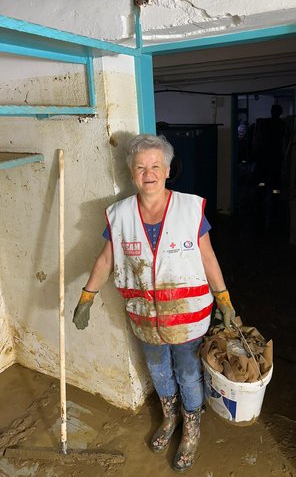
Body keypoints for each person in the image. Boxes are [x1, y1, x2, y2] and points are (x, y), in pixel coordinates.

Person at [73, 134, 236, 472]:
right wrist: (87, 296)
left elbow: (207, 256)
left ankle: (191, 428)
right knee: (159, 371)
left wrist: (224, 299)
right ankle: (170, 418)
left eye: (155, 166)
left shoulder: (190, 208)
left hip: (188, 318)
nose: (148, 173)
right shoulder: (119, 215)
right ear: (131, 173)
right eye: (140, 167)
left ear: (167, 170)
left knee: (189, 374)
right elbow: (106, 260)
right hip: (145, 317)